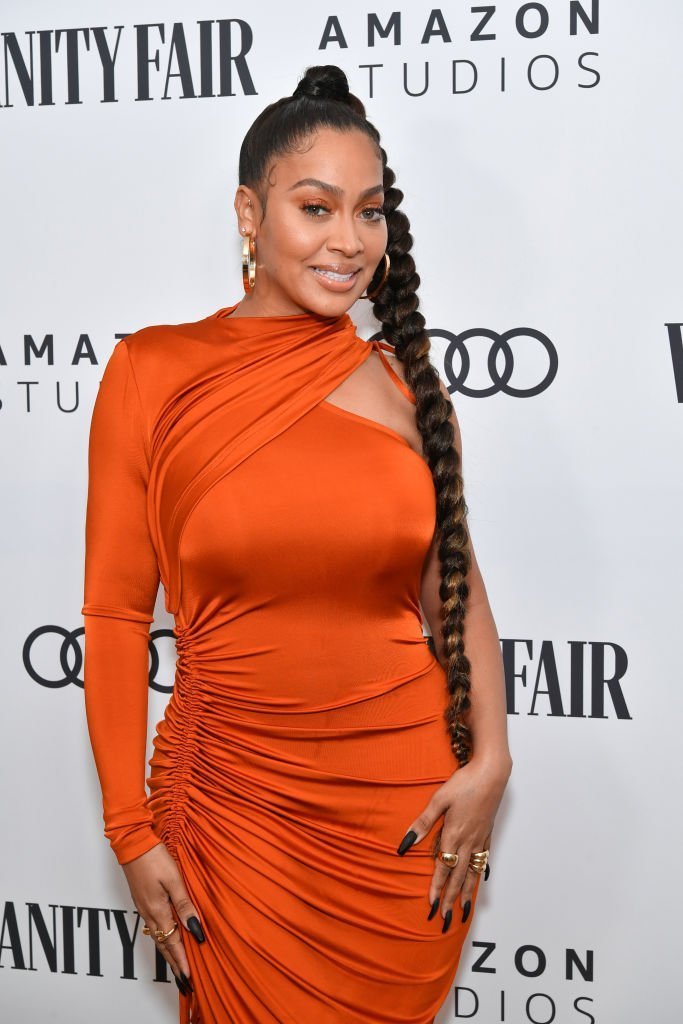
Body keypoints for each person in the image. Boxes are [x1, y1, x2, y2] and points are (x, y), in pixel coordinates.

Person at [81, 63, 512, 1024]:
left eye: (370, 213)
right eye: (315, 207)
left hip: (401, 820)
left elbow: (459, 595)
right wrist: (130, 832)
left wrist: (491, 762)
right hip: (231, 813)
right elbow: (113, 617)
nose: (348, 242)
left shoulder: (403, 384)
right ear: (249, 211)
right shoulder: (152, 370)